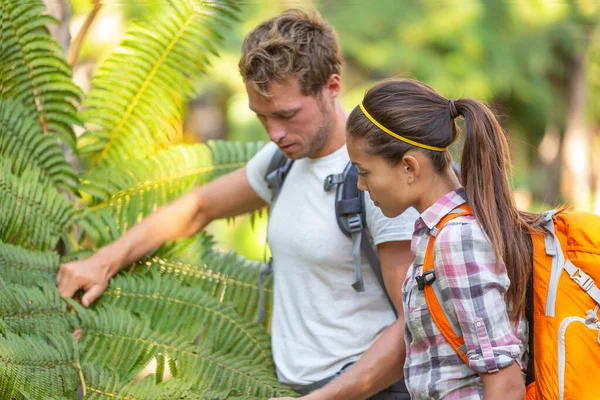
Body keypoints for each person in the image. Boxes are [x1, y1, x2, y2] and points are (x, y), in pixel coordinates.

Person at [57, 10, 418, 400]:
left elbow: (412, 326)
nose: (275, 133)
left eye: (286, 114)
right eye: (261, 117)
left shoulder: (375, 179)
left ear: (331, 86)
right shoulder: (283, 161)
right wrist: (102, 262)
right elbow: (198, 207)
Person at [345, 78, 544, 399]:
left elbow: (505, 385)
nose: (361, 186)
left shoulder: (457, 241)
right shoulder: (438, 234)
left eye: (364, 172)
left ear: (409, 168)